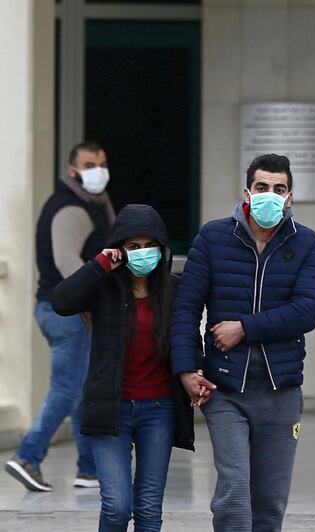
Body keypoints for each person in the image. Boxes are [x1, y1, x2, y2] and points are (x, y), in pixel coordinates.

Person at [170, 154, 315, 531]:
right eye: (262, 188)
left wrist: (244, 328)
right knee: (235, 493)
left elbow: (307, 311)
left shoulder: (307, 243)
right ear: (247, 192)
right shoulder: (213, 237)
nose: (270, 195)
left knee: (269, 505)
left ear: (289, 197)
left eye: (279, 189)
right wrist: (187, 368)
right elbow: (186, 307)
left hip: (281, 391)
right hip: (226, 389)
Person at [51, 204, 196, 531]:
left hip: (159, 409)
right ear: (120, 249)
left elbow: (189, 338)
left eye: (149, 246)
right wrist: (100, 264)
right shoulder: (104, 288)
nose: (142, 253)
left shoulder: (174, 290)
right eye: (133, 246)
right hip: (111, 407)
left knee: (148, 509)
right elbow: (61, 301)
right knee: (116, 507)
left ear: (161, 249)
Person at [5, 141, 114, 491]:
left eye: (102, 162)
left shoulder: (94, 204)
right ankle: (28, 456)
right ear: (73, 171)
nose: (98, 169)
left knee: (81, 388)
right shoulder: (69, 209)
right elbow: (72, 270)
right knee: (66, 389)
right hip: (65, 313)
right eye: (89, 164)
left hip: (62, 311)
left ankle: (89, 468)